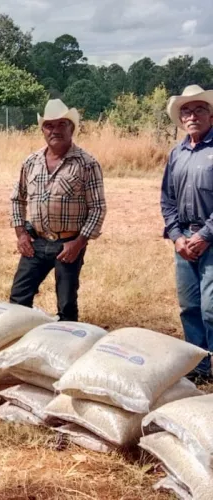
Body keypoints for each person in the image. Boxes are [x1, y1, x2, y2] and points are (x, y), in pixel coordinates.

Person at [9, 99, 106, 321]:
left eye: (62, 124)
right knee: (18, 299)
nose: (55, 130)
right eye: (49, 125)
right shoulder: (31, 162)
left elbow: (98, 208)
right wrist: (21, 234)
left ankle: (66, 347)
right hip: (36, 242)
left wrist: (78, 243)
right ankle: (21, 346)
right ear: (43, 130)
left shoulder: (86, 163)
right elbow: (17, 199)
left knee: (66, 304)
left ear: (71, 127)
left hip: (68, 245)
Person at [160, 84, 213, 384]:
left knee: (211, 306)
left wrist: (205, 235)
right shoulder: (176, 153)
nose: (192, 115)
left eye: (199, 109)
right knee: (190, 305)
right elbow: (167, 198)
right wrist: (177, 236)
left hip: (211, 240)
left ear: (211, 115)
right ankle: (199, 363)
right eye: (186, 111)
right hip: (183, 241)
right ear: (181, 119)